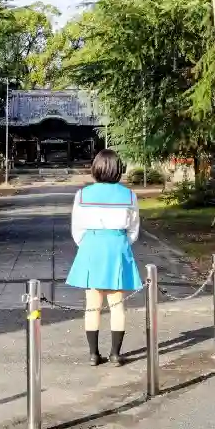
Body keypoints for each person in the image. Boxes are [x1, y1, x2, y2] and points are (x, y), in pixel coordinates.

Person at [65, 149, 142, 366]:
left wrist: (89, 244)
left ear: (96, 168)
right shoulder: (129, 195)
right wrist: (121, 242)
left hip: (92, 246)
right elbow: (133, 229)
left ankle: (93, 354)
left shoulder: (82, 195)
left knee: (92, 304)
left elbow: (77, 229)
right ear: (118, 169)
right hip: (118, 246)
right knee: (117, 304)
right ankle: (115, 354)